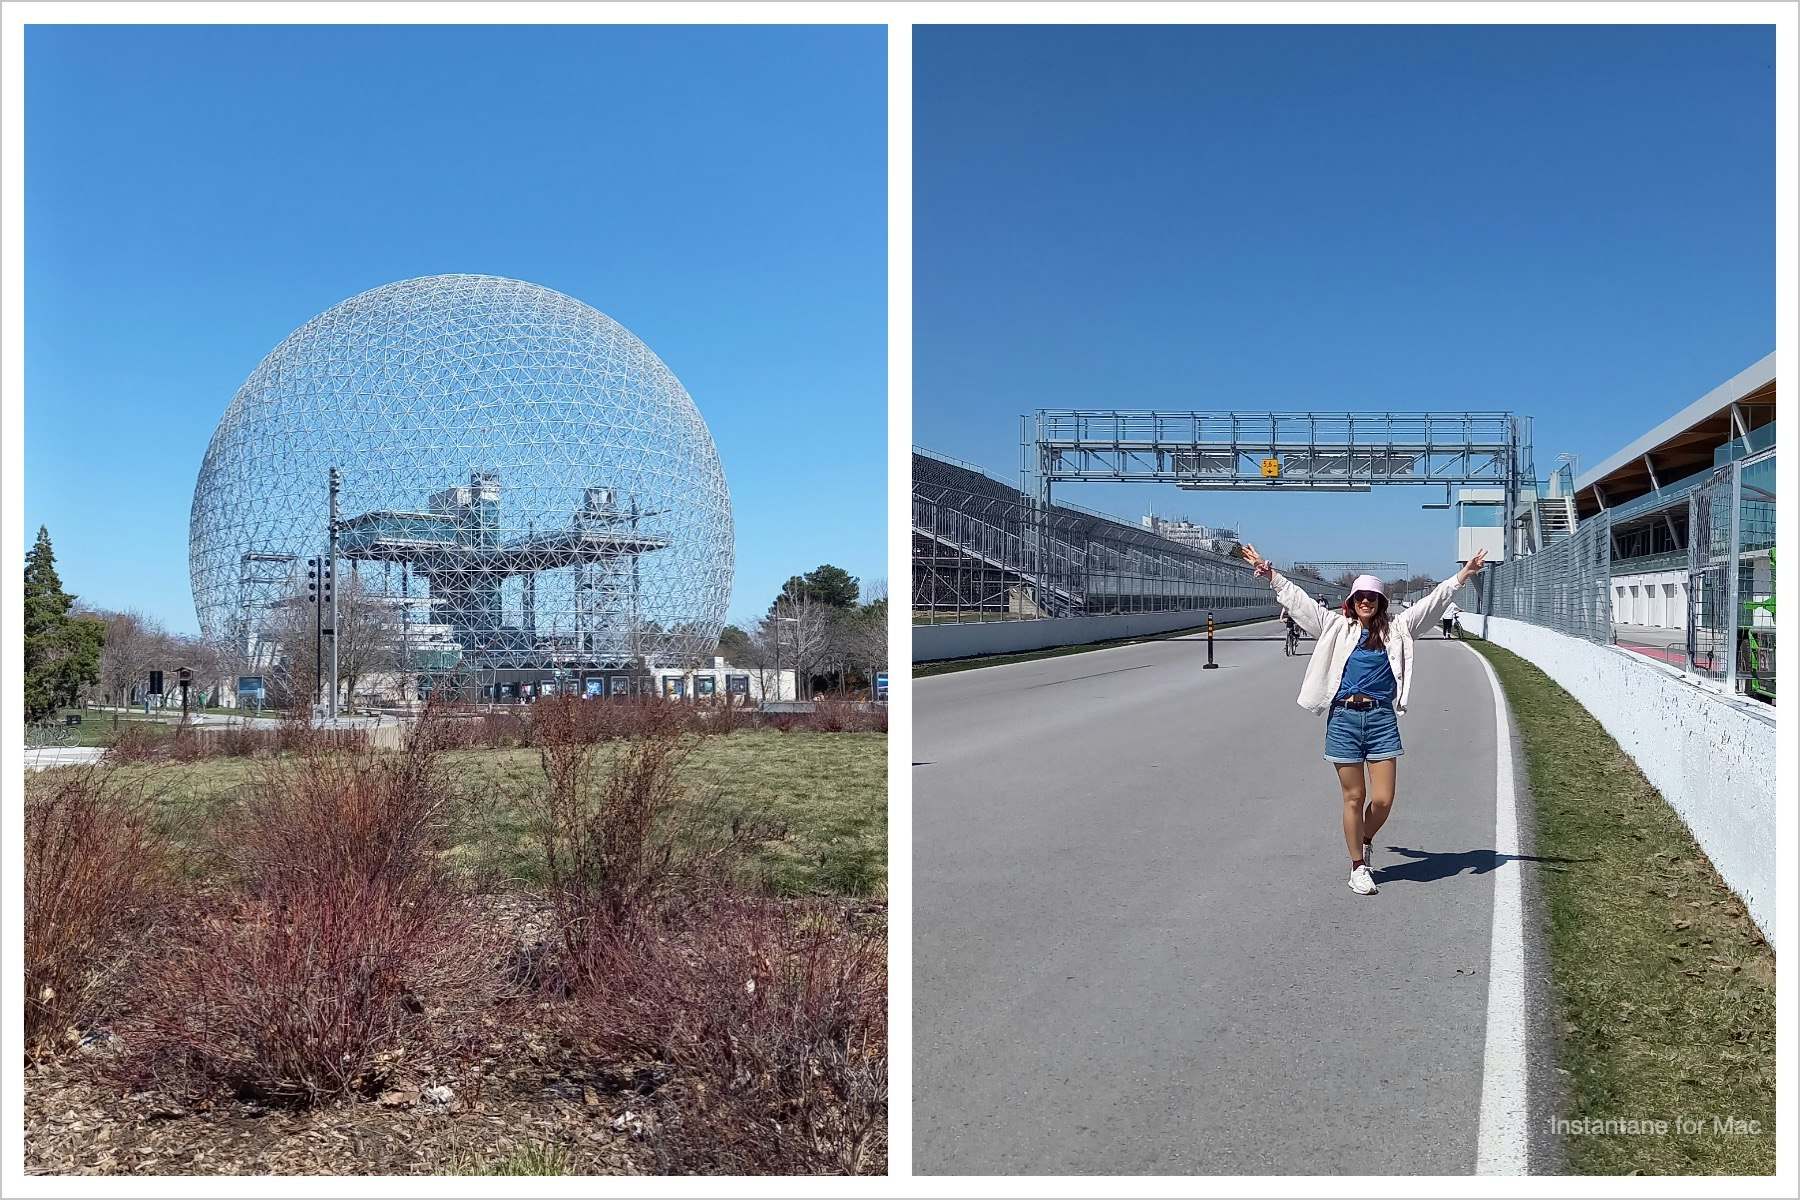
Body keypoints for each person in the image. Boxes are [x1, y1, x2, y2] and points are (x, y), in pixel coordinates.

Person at [1238, 544, 1487, 897]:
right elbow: (1300, 601)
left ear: (1381, 602)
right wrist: (1272, 575)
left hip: (1381, 718)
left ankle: (1365, 837)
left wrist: (1464, 575)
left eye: (1372, 597)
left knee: (1383, 799)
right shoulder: (1334, 627)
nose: (1365, 602)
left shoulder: (1398, 629)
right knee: (1354, 797)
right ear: (1351, 602)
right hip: (1343, 720)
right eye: (1359, 597)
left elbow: (1433, 602)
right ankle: (1358, 866)